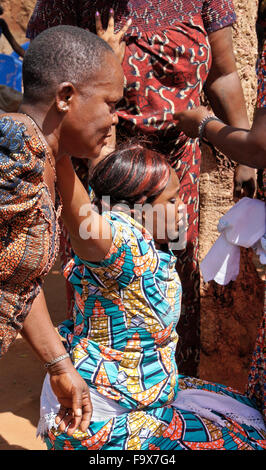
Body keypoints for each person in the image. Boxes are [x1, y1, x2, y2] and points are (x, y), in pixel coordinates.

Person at [25, 0, 255, 376]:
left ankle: (169, 390)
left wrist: (244, 150)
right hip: (98, 173)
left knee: (168, 287)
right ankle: (96, 389)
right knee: (105, 291)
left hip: (172, 177)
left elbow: (223, 73)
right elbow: (45, 80)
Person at [36, 142, 265, 451]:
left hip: (135, 396)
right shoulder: (122, 245)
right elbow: (83, 218)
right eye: (171, 200)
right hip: (103, 420)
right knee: (249, 441)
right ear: (135, 211)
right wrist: (60, 152)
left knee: (244, 411)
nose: (182, 207)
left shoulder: (151, 243)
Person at [0, 24, 124, 436]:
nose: (115, 117)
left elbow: (15, 279)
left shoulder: (48, 160)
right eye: (110, 102)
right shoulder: (16, 150)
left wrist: (59, 364)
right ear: (66, 97)